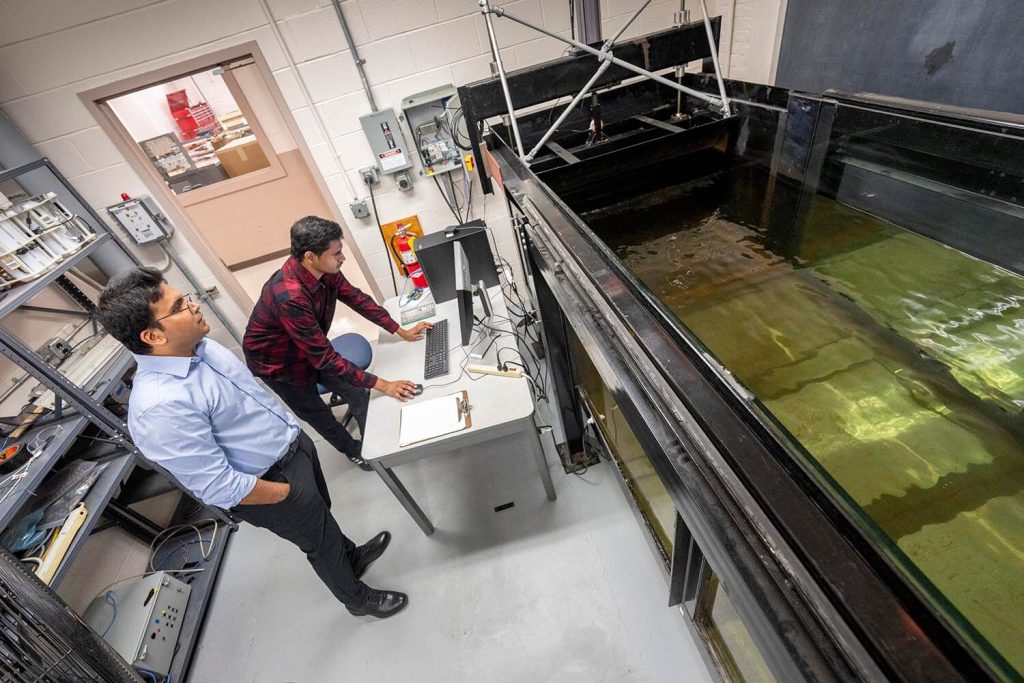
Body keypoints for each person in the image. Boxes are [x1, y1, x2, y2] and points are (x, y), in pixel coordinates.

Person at [97, 267, 408, 619]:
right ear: (153, 335)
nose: (194, 305)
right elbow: (217, 485)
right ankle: (357, 599)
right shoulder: (158, 408)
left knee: (322, 519)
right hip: (268, 483)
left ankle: (350, 556)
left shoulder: (202, 349)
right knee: (316, 541)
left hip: (292, 448)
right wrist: (288, 494)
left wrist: (296, 439)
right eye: (180, 305)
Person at [243, 216, 431, 471]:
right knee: (319, 415)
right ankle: (356, 452)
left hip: (308, 346)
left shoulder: (323, 271)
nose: (342, 258)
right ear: (310, 256)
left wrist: (400, 330)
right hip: (279, 366)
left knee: (357, 392)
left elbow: (357, 298)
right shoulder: (291, 297)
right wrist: (385, 385)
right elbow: (325, 358)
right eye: (336, 253)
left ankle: (376, 445)